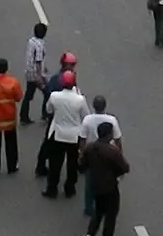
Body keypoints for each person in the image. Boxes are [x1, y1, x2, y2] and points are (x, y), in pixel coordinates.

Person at [81, 121, 130, 236]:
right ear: (108, 135)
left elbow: (82, 164)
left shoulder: (90, 148)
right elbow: (125, 167)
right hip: (109, 187)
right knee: (110, 215)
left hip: (94, 185)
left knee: (98, 212)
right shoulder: (112, 151)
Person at [42, 70, 89, 199]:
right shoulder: (80, 99)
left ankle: (52, 189)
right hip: (74, 136)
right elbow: (85, 115)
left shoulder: (55, 96)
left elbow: (48, 110)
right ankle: (70, 188)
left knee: (55, 164)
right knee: (72, 164)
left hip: (58, 133)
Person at [35, 52, 78, 177]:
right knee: (49, 141)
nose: (73, 67)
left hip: (58, 113)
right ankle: (42, 165)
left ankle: (41, 164)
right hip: (58, 115)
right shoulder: (60, 80)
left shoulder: (58, 77)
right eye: (71, 65)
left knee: (49, 141)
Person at [80, 96, 123, 217]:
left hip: (92, 153)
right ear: (105, 106)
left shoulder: (87, 119)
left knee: (90, 181)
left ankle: (89, 207)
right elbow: (118, 139)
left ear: (93, 106)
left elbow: (82, 138)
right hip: (109, 153)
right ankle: (107, 205)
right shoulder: (111, 120)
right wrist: (120, 154)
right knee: (110, 180)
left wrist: (82, 154)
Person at [20, 22, 48, 125]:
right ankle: (45, 113)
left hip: (29, 72)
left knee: (28, 95)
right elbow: (38, 61)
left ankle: (23, 115)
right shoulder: (39, 45)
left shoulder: (31, 41)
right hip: (36, 74)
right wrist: (39, 77)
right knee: (47, 93)